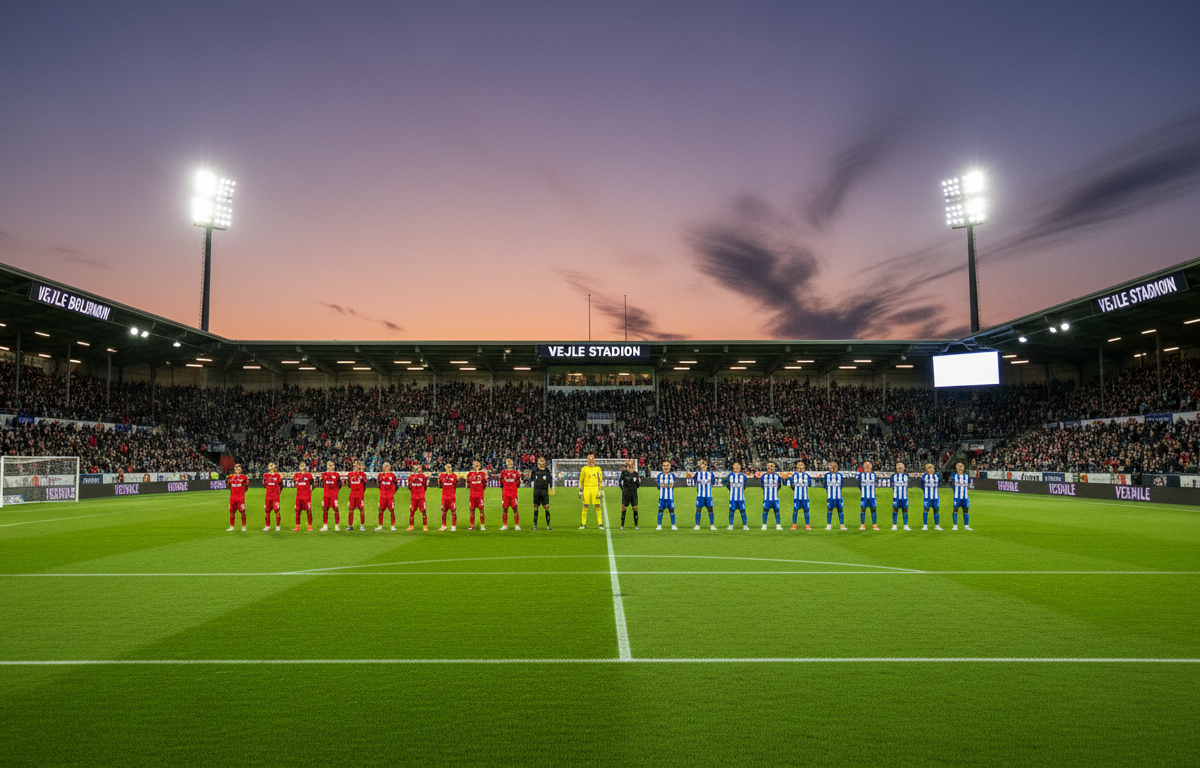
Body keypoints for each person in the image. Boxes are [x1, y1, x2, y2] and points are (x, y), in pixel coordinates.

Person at [579, 453, 604, 530]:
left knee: (597, 505)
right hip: (586, 488)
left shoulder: (598, 469)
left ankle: (600, 524)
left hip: (595, 488)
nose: (591, 461)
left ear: (594, 459)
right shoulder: (584, 469)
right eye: (589, 459)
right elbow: (581, 481)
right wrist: (580, 490)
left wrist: (601, 490)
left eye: (592, 459)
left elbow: (600, 480)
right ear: (587, 460)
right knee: (585, 505)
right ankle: (583, 523)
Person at [787, 460, 812, 530]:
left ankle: (808, 525)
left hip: (805, 497)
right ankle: (794, 525)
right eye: (799, 468)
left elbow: (809, 484)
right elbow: (792, 485)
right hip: (797, 497)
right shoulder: (794, 475)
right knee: (795, 510)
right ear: (797, 468)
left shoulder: (807, 476)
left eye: (802, 468)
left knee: (806, 510)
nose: (800, 469)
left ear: (804, 468)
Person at [530, 456, 553, 531]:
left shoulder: (547, 471)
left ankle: (548, 525)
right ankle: (535, 525)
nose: (542, 462)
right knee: (536, 507)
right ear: (537, 462)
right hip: (536, 491)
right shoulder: (535, 470)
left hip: (545, 491)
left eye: (543, 461)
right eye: (540, 461)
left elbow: (550, 480)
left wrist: (551, 488)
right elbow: (532, 479)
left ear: (545, 463)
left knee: (547, 507)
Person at [692, 458, 716, 530]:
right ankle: (697, 525)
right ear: (700, 466)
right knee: (698, 509)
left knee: (710, 509)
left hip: (708, 496)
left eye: (705, 465)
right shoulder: (697, 474)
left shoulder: (710, 474)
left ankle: (712, 525)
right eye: (702, 464)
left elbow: (713, 482)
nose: (704, 466)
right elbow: (694, 481)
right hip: (700, 496)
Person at [500, 458, 522, 530]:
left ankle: (517, 525)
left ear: (513, 463)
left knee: (515, 509)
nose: (509, 463)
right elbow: (501, 483)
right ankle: (505, 525)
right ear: (506, 464)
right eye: (508, 462)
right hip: (505, 494)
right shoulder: (503, 473)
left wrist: (514, 489)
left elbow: (518, 483)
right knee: (504, 509)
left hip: (513, 494)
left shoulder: (516, 473)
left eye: (510, 462)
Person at [319, 461, 341, 532]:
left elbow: (339, 485)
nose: (331, 467)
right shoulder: (324, 474)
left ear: (334, 466)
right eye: (329, 465)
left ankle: (336, 525)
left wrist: (336, 493)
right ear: (327, 466)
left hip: (334, 496)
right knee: (325, 510)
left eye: (332, 465)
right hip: (326, 495)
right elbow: (320, 482)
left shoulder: (337, 475)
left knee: (336, 510)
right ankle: (325, 526)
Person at [760, 461, 783, 531]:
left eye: (772, 468)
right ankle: (764, 525)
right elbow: (762, 485)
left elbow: (779, 485)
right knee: (765, 511)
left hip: (775, 498)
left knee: (777, 511)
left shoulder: (777, 476)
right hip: (766, 498)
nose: (771, 470)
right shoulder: (763, 476)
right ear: (767, 468)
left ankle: (778, 525)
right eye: (769, 468)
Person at [726, 461, 748, 530]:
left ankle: (745, 525)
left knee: (743, 511)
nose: (736, 469)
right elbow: (727, 484)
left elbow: (745, 485)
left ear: (740, 468)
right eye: (735, 467)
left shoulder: (743, 476)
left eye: (738, 467)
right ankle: (730, 525)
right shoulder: (730, 476)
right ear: (733, 468)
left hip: (741, 498)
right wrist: (731, 490)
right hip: (732, 498)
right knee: (731, 511)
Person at [466, 460, 488, 531]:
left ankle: (482, 525)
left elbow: (485, 483)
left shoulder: (482, 474)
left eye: (476, 465)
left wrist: (481, 490)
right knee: (472, 510)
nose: (475, 466)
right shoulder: (470, 474)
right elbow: (468, 484)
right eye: (473, 465)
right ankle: (472, 525)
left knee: (481, 510)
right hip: (472, 495)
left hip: (479, 495)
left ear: (479, 466)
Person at [292, 463, 314, 531]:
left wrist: (309, 493)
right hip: (298, 497)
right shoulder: (296, 475)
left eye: (303, 465)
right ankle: (297, 526)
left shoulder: (309, 475)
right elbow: (296, 484)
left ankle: (310, 526)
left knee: (309, 511)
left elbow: (311, 485)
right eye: (301, 465)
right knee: (297, 511)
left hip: (306, 497)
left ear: (305, 467)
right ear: (299, 467)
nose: (302, 467)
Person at [376, 462, 398, 531]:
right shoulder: (380, 475)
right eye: (384, 466)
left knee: (392, 510)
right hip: (382, 496)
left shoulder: (393, 475)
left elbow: (396, 485)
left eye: (387, 466)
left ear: (390, 467)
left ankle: (392, 526)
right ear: (382, 467)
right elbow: (378, 485)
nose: (386, 468)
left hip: (390, 497)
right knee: (380, 510)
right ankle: (380, 526)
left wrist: (392, 493)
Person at [346, 460, 368, 531]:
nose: (356, 465)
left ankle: (362, 525)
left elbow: (365, 484)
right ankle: (350, 525)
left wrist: (362, 492)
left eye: (358, 464)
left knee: (361, 509)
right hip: (352, 494)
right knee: (351, 509)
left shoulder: (363, 474)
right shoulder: (350, 474)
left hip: (360, 494)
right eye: (355, 464)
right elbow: (349, 484)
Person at [406, 464, 429, 532]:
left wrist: (421, 493)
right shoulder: (410, 477)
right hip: (413, 498)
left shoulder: (423, 477)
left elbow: (425, 486)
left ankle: (425, 526)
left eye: (419, 467)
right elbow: (409, 487)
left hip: (421, 498)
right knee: (412, 511)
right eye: (416, 468)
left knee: (424, 511)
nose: (417, 469)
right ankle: (411, 525)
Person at [951, 462, 973, 530]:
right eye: (958, 466)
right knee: (955, 510)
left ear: (963, 468)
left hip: (965, 497)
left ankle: (966, 526)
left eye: (961, 466)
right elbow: (951, 484)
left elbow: (969, 484)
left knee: (966, 510)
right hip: (957, 497)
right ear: (956, 467)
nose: (960, 468)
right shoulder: (953, 476)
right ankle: (955, 526)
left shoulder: (966, 476)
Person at [226, 463, 248, 531]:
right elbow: (228, 485)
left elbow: (246, 487)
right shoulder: (230, 477)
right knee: (232, 512)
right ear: (234, 468)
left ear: (241, 469)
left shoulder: (244, 477)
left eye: (239, 466)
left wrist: (242, 493)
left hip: (240, 498)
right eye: (236, 466)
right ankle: (231, 526)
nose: (237, 468)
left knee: (242, 512)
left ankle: (244, 526)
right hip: (232, 498)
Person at [655, 460, 677, 531]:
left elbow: (672, 485)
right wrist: (666, 485)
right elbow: (659, 485)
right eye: (664, 466)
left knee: (672, 511)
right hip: (662, 498)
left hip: (670, 498)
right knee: (660, 510)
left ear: (670, 467)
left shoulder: (672, 476)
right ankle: (659, 525)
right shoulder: (659, 475)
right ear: (662, 467)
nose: (666, 467)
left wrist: (664, 485)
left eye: (667, 466)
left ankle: (673, 525)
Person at [619, 459, 640, 530]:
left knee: (635, 510)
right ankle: (622, 525)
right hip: (625, 495)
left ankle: (636, 525)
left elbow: (638, 485)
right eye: (628, 466)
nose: (629, 467)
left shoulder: (636, 474)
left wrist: (638, 482)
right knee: (623, 510)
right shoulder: (624, 473)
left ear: (633, 466)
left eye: (631, 466)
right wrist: (623, 489)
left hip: (633, 495)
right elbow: (620, 482)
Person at [920, 463, 942, 531]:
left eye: (931, 468)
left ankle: (937, 525)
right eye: (928, 468)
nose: (930, 469)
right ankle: (925, 525)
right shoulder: (924, 476)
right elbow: (922, 485)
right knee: (926, 509)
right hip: (927, 496)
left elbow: (940, 482)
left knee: (936, 510)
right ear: (926, 469)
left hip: (935, 497)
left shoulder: (937, 476)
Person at [825, 461, 846, 531]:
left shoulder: (840, 475)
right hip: (830, 496)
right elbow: (825, 485)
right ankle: (828, 525)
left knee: (840, 510)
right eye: (832, 467)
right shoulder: (827, 475)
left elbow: (841, 485)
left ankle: (842, 525)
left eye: (834, 467)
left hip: (838, 496)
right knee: (829, 509)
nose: (833, 468)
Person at [262, 462, 282, 531]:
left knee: (277, 511)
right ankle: (267, 525)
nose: (271, 465)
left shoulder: (277, 475)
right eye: (269, 465)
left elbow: (281, 485)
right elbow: (264, 484)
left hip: (275, 496)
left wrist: (278, 493)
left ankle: (278, 526)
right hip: (268, 496)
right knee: (267, 511)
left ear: (274, 467)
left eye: (272, 465)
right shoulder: (265, 475)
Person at [438, 463, 458, 532]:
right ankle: (444, 525)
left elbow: (455, 485)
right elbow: (440, 485)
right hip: (444, 497)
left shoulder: (454, 476)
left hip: (451, 497)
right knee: (444, 512)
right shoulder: (442, 476)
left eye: (450, 467)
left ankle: (453, 526)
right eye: (447, 467)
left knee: (453, 511)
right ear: (445, 468)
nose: (449, 468)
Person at [890, 462, 911, 531]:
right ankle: (894, 525)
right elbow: (891, 485)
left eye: (901, 468)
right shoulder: (893, 476)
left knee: (905, 510)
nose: (900, 469)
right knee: (895, 510)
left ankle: (905, 525)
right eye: (898, 468)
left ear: (904, 468)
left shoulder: (906, 476)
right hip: (896, 497)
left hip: (904, 497)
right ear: (896, 469)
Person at [859, 461, 879, 531]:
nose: (867, 468)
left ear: (871, 468)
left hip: (872, 496)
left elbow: (876, 484)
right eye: (866, 467)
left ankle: (874, 524)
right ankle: (862, 524)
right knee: (863, 509)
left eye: (868, 467)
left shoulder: (874, 475)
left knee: (873, 509)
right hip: (864, 496)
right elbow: (859, 485)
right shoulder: (860, 475)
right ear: (863, 468)